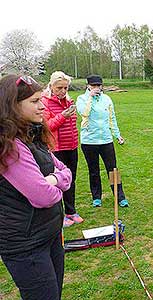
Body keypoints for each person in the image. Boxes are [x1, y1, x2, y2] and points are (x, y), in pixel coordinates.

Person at [0, 74, 72, 300]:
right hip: (26, 243)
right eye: (34, 101)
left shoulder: (32, 135)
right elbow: (44, 196)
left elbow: (66, 172)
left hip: (48, 233)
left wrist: (53, 178)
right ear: (12, 106)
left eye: (41, 99)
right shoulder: (10, 146)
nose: (42, 106)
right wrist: (54, 180)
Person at [76, 74, 128, 207]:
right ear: (88, 86)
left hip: (106, 140)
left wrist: (117, 135)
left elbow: (112, 118)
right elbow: (84, 113)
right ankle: (96, 197)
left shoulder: (107, 99)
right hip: (89, 141)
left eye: (98, 85)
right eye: (93, 85)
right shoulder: (82, 99)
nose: (97, 88)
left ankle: (120, 196)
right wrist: (90, 98)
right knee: (94, 170)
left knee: (113, 169)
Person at [42, 71, 83, 227]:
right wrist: (63, 116)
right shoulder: (45, 102)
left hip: (71, 146)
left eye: (66, 88)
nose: (63, 91)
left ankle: (71, 211)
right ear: (51, 86)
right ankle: (59, 214)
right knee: (57, 181)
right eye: (59, 88)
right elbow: (48, 126)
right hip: (56, 148)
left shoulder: (69, 100)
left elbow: (72, 124)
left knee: (71, 179)